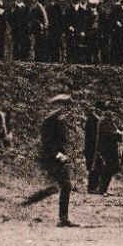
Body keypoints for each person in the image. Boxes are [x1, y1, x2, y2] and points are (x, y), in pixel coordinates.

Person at [37, 94, 78, 226]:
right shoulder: (51, 121)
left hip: (57, 158)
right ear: (59, 106)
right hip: (51, 158)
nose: (68, 110)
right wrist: (58, 154)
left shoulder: (60, 120)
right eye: (66, 107)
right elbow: (47, 141)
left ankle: (63, 218)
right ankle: (62, 219)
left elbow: (61, 141)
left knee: (64, 185)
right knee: (63, 185)